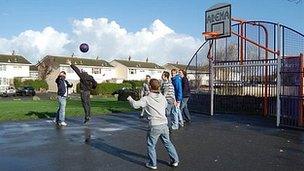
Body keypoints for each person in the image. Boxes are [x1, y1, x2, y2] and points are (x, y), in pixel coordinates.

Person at [127, 79, 179, 170]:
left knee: (151, 145)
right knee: (168, 143)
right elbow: (165, 105)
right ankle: (175, 160)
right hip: (164, 124)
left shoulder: (146, 98)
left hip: (154, 125)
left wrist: (130, 98)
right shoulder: (162, 97)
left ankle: (152, 163)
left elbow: (135, 105)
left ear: (150, 87)